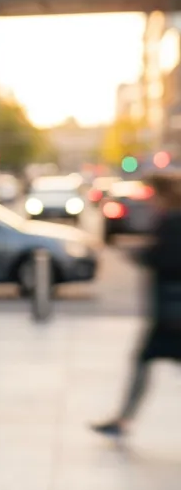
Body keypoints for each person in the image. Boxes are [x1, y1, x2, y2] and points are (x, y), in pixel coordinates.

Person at [92, 172, 181, 437]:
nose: (149, 201)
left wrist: (141, 255)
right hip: (170, 310)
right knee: (143, 360)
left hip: (172, 311)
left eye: (151, 194)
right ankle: (123, 419)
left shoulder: (173, 221)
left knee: (143, 360)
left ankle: (123, 419)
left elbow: (167, 260)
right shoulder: (170, 220)